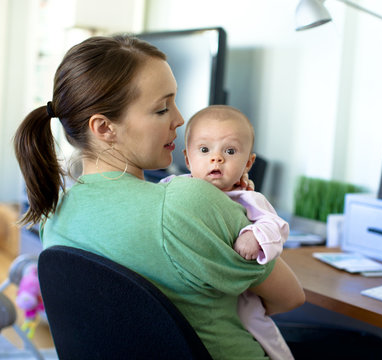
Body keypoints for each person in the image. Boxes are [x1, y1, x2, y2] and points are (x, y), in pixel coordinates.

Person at [13, 35, 305, 360]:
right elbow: (290, 298)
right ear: (104, 127)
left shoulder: (54, 215)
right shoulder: (185, 202)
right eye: (163, 108)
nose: (179, 119)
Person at [160, 105, 293, 359]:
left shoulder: (246, 197)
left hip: (242, 293)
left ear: (248, 162)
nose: (216, 158)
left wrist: (254, 235)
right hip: (193, 293)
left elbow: (276, 226)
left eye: (230, 151)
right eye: (204, 150)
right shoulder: (173, 187)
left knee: (260, 329)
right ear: (188, 159)